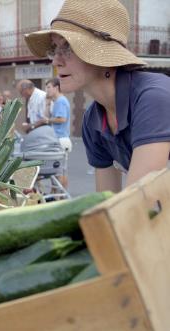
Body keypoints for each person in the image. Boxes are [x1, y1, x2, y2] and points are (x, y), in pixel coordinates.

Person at [25, 0, 170, 193]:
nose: (56, 61)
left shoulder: (152, 98)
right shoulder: (92, 120)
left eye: (67, 47)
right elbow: (107, 200)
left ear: (103, 57)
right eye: (54, 50)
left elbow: (139, 202)